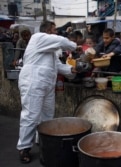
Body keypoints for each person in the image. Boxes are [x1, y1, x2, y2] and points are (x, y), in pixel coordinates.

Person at [17, 20, 79, 164]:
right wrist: (75, 47)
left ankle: (43, 140)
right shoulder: (38, 38)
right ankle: (24, 147)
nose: (56, 32)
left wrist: (72, 70)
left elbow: (58, 66)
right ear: (48, 31)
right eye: (54, 29)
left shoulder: (51, 50)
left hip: (47, 85)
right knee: (31, 116)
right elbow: (61, 40)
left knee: (47, 115)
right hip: (33, 82)